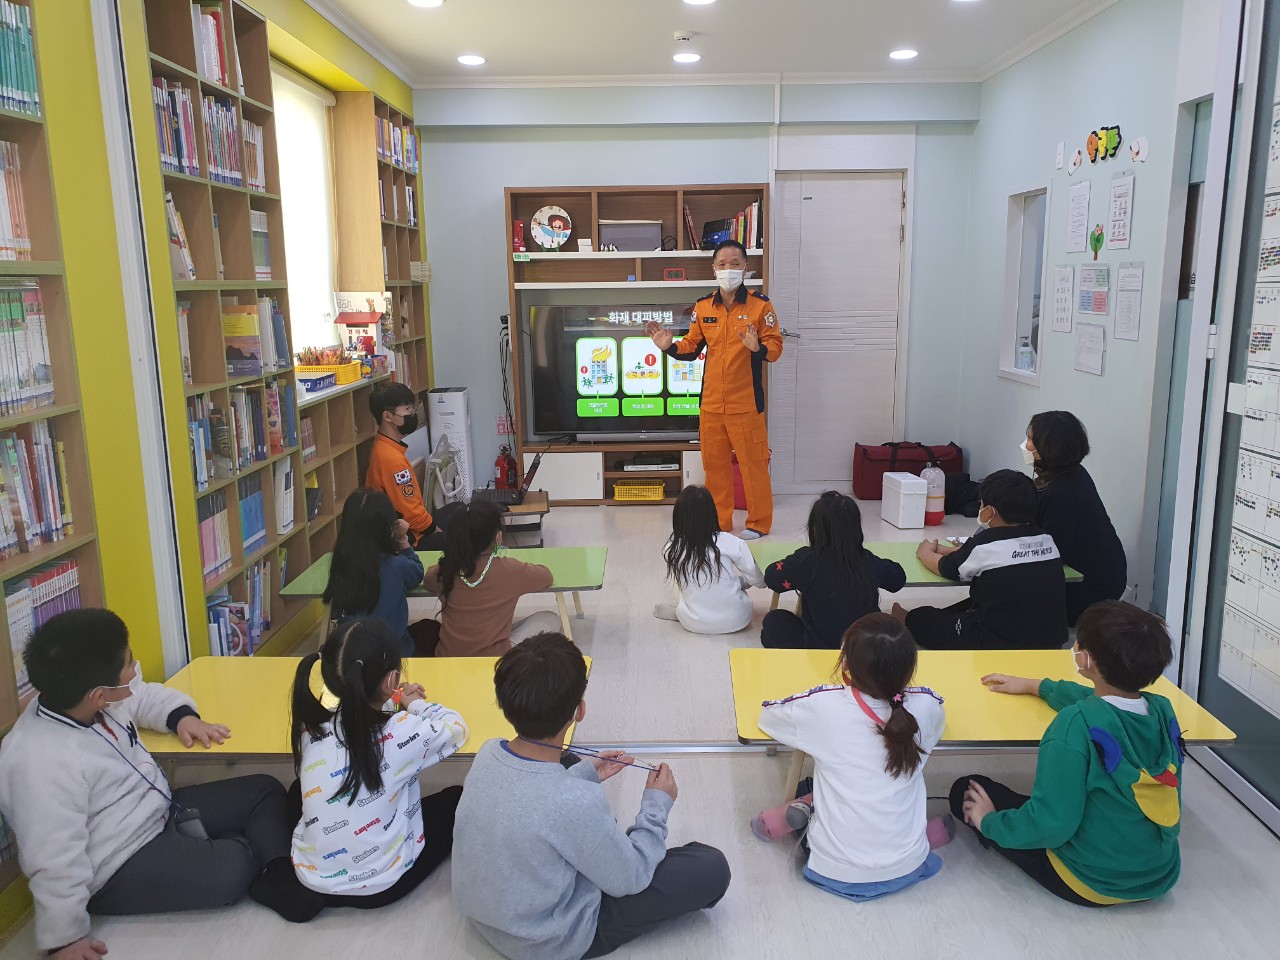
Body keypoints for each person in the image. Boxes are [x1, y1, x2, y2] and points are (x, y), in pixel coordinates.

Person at [0, 609, 304, 960]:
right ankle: (251, 851)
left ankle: (276, 869)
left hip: (159, 809)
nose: (135, 670)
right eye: (130, 663)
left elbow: (142, 696)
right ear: (99, 695)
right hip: (120, 865)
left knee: (265, 789)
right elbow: (53, 860)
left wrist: (181, 718)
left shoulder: (85, 697)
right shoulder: (36, 761)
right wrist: (65, 939)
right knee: (232, 869)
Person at [452, 632, 731, 960]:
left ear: (505, 703)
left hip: (486, 919)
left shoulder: (488, 752)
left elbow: (529, 801)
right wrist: (656, 805)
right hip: (547, 941)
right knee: (712, 868)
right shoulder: (575, 802)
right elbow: (631, 877)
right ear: (579, 710)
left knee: (569, 762)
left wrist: (585, 774)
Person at [951, 601, 1183, 906]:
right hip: (1159, 875)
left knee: (965, 791)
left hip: (1090, 881)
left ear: (1086, 660)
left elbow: (1052, 824)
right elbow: (1100, 700)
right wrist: (1037, 686)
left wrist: (988, 822)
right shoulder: (1162, 711)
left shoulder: (1073, 725)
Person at [752, 614, 948, 900]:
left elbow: (768, 716)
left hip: (837, 872)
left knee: (811, 787)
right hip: (910, 867)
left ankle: (801, 809)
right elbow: (938, 720)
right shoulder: (928, 705)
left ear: (845, 664)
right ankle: (921, 839)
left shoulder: (824, 706)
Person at [287, 617, 467, 918]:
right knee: (455, 799)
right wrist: (413, 704)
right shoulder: (403, 730)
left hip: (312, 879)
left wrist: (390, 698)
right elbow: (457, 728)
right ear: (392, 680)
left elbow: (360, 718)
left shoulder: (312, 727)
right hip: (380, 889)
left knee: (299, 792)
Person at [646, 239, 783, 541]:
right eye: (722, 264)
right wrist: (669, 347)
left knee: (754, 467)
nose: (728, 269)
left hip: (746, 404)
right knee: (715, 469)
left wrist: (757, 347)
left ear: (745, 267)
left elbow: (775, 348)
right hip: (710, 405)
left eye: (735, 263)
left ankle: (758, 523)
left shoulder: (761, 306)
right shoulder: (703, 306)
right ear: (713, 269)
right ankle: (720, 523)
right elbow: (691, 347)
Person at [897, 469, 1068, 650]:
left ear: (989, 512)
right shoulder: (1046, 539)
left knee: (924, 618)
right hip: (1050, 641)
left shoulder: (985, 543)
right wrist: (947, 550)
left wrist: (925, 552)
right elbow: (999, 554)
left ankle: (905, 618)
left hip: (996, 644)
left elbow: (945, 568)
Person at [761, 491, 906, 649]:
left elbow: (772, 577)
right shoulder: (867, 560)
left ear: (815, 529)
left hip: (819, 647)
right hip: (862, 646)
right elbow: (898, 579)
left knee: (773, 620)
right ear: (856, 529)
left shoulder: (805, 561)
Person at [1024, 411, 1127, 625]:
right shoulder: (1073, 473)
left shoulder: (1061, 492)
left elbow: (1051, 553)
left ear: (1048, 446)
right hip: (1104, 578)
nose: (1026, 445)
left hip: (1088, 591)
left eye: (1030, 439)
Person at [422, 500, 561, 657]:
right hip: (494, 659)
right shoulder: (510, 569)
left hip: (448, 657)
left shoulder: (444, 571)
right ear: (498, 537)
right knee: (550, 619)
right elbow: (547, 576)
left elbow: (428, 579)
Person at [323, 488, 432, 656]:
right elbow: (417, 572)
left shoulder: (341, 563)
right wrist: (402, 539)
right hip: (391, 653)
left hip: (351, 649)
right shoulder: (396, 565)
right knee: (429, 630)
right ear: (389, 527)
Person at [654, 484, 765, 634]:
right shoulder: (732, 542)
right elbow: (757, 579)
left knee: (682, 580)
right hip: (738, 620)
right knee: (735, 580)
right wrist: (751, 582)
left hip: (693, 623)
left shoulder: (672, 548)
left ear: (678, 516)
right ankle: (730, 590)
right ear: (712, 513)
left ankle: (683, 610)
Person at [365, 381, 459, 549]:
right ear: (387, 416)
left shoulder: (385, 446)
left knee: (460, 510)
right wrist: (437, 531)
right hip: (411, 539)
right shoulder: (391, 459)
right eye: (407, 409)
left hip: (412, 527)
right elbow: (412, 515)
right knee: (464, 537)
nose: (412, 413)